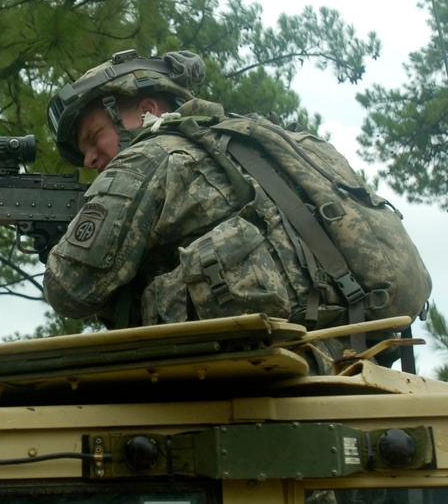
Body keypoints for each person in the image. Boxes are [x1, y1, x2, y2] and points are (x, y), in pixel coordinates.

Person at [43, 49, 312, 330]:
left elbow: (68, 289)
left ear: (146, 111)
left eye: (95, 136)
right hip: (338, 345)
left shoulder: (150, 154)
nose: (88, 160)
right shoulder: (241, 148)